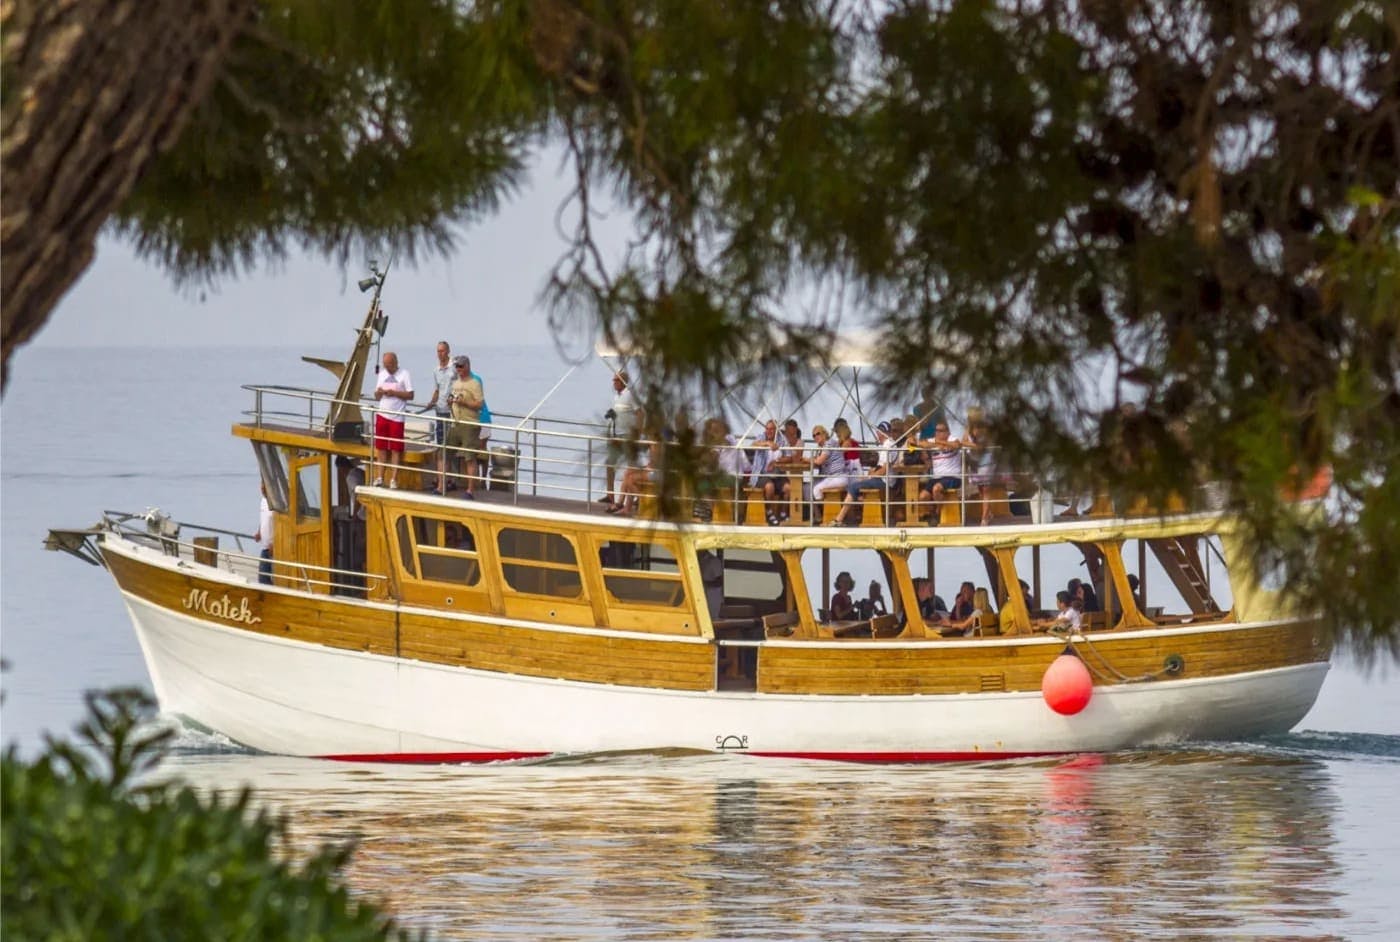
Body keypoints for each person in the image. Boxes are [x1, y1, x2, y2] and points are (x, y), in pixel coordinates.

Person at [828, 420, 899, 526]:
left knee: (853, 486)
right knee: (854, 486)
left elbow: (884, 470)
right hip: (880, 478)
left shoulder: (889, 445)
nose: (877, 435)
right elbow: (879, 467)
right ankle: (848, 517)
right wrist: (870, 474)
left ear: (881, 432)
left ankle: (839, 519)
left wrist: (869, 476)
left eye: (878, 432)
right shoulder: (885, 445)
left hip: (885, 481)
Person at [372, 351, 413, 488]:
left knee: (396, 449)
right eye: (385, 365)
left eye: (389, 365)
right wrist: (379, 393)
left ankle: (393, 479)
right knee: (381, 447)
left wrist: (394, 393)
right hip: (382, 415)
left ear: (395, 362)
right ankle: (379, 477)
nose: (387, 368)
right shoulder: (382, 374)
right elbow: (376, 396)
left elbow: (410, 395)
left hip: (397, 417)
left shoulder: (404, 374)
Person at [445, 355, 485, 496]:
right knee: (444, 454)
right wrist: (451, 402)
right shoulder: (455, 384)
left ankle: (470, 490)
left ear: (467, 366)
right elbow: (451, 399)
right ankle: (442, 485)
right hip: (455, 423)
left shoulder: (475, 383)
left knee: (469, 457)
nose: (459, 369)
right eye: (457, 366)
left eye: (461, 366)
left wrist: (465, 403)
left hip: (470, 424)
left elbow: (480, 404)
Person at [603, 370, 640, 506]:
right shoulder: (617, 396)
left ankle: (636, 497)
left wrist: (637, 433)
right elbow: (620, 412)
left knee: (631, 468)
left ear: (623, 382)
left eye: (616, 380)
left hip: (627, 436)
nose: (614, 383)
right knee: (609, 464)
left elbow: (640, 413)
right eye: (613, 380)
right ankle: (610, 495)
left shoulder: (630, 395)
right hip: (616, 436)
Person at [762, 418, 806, 525]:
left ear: (777, 430)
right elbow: (753, 444)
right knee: (769, 487)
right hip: (762, 474)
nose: (769, 431)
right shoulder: (761, 438)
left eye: (772, 429)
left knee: (788, 488)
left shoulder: (782, 441)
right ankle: (769, 513)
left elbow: (789, 457)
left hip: (778, 474)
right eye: (767, 429)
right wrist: (767, 443)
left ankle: (783, 513)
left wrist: (776, 461)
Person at [917, 421, 963, 521]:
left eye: (940, 431)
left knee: (936, 489)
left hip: (953, 476)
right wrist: (936, 445)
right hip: (937, 477)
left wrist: (940, 443)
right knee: (922, 496)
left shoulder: (952, 439)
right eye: (936, 431)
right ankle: (933, 513)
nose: (937, 433)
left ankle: (939, 512)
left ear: (947, 432)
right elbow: (921, 443)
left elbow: (956, 445)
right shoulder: (933, 440)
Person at [423, 340, 455, 486]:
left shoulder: (454, 367)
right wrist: (432, 401)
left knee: (449, 446)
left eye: (442, 351)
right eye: (438, 351)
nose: (440, 354)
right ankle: (441, 478)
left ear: (448, 351)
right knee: (440, 444)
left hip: (452, 412)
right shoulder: (436, 370)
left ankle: (447, 479)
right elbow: (437, 389)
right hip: (440, 410)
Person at [808, 424, 849, 503]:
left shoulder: (829, 443)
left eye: (818, 433)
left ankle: (823, 511)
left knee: (816, 489)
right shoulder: (824, 446)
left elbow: (819, 461)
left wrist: (807, 460)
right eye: (814, 435)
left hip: (838, 477)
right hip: (834, 477)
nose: (816, 436)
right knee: (809, 487)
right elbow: (819, 460)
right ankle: (819, 512)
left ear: (824, 433)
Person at [254, 483, 273, 585]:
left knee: (276, 578)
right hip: (264, 546)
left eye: (264, 486)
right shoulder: (263, 501)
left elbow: (280, 523)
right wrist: (259, 532)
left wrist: (275, 543)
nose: (262, 488)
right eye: (261, 486)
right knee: (262, 579)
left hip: (273, 548)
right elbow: (264, 518)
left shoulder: (276, 503)